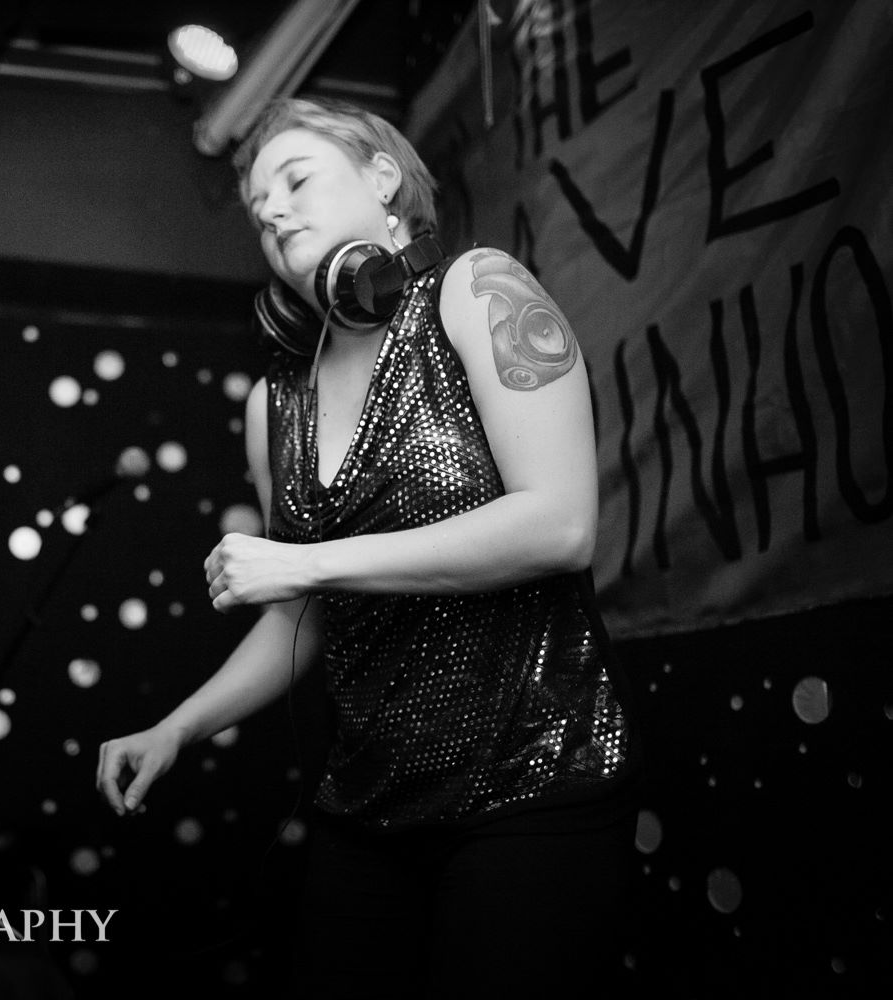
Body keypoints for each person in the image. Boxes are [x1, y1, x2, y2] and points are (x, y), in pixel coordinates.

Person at [95, 96, 640, 999]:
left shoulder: (479, 290)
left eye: (296, 180)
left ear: (383, 177)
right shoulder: (275, 405)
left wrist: (308, 561)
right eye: (259, 209)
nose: (273, 211)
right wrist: (178, 727)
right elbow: (301, 619)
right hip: (365, 812)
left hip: (530, 788)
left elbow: (560, 525)